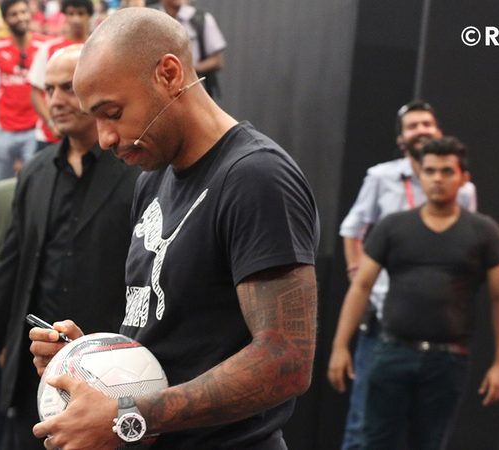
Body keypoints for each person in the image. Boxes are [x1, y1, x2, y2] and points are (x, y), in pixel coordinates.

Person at [29, 9, 319, 449]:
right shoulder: (152, 179)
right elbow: (173, 343)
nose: (105, 138)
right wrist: (94, 364)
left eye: (113, 113)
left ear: (169, 74)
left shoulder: (256, 177)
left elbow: (286, 361)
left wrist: (126, 416)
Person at [0, 45, 139, 450]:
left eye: (68, 87)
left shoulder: (138, 170)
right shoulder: (34, 172)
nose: (55, 100)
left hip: (111, 378)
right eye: (49, 89)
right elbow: (8, 277)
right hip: (33, 380)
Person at [328, 137, 499, 450]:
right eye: (429, 171)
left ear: (463, 178)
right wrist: (340, 346)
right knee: (374, 441)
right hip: (391, 350)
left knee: (430, 443)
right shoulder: (393, 226)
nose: (437, 179)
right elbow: (361, 285)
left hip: (448, 358)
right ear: (420, 175)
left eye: (446, 171)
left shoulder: (484, 231)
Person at [0, 0, 45, 184]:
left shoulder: (44, 46)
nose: (20, 17)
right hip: (4, 128)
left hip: (35, 128)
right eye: (14, 14)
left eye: (23, 12)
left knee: (35, 183)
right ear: (5, 20)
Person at [28, 0, 93, 152]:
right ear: (64, 16)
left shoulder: (100, 48)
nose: (76, 19)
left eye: (81, 13)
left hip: (90, 139)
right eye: (71, 14)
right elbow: (36, 92)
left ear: (89, 15)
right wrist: (52, 124)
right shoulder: (49, 49)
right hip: (51, 138)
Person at [158, 0, 226, 98]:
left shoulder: (201, 19)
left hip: (193, 89)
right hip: (160, 88)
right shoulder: (152, 19)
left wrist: (189, 70)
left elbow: (217, 60)